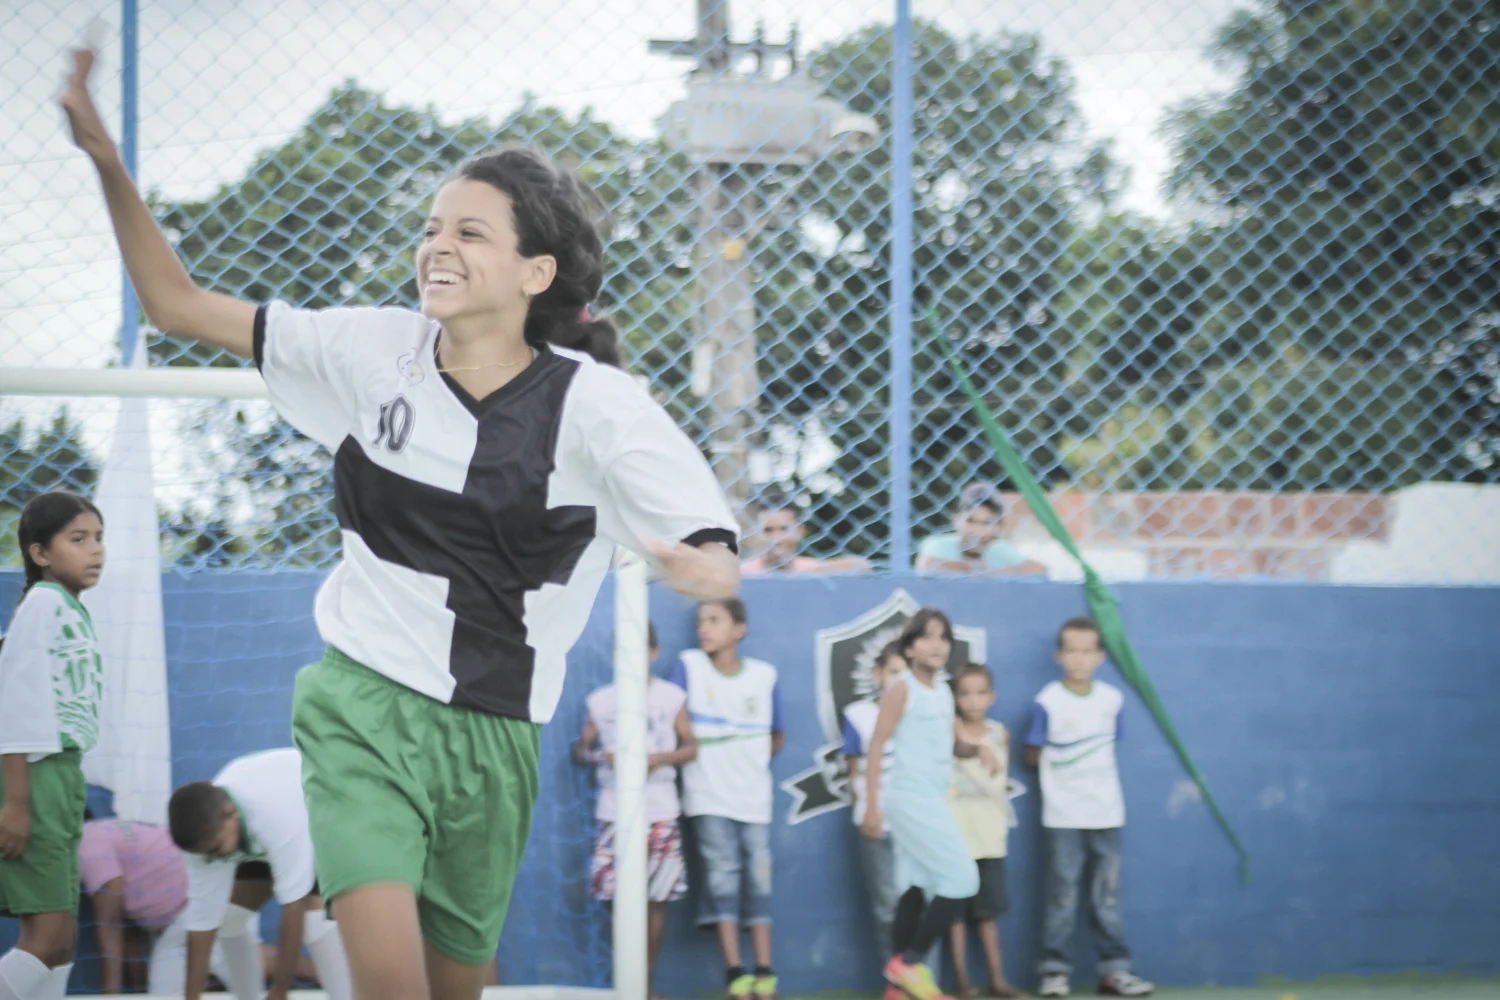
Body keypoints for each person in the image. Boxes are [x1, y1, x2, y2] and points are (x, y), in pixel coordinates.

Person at [63, 42, 739, 1000]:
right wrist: (105, 158)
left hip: (496, 735)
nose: (438, 246)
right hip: (360, 708)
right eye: (431, 228)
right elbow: (175, 306)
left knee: (459, 985)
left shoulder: (597, 406)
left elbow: (712, 550)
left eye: (470, 232)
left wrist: (697, 566)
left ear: (536, 271)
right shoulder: (371, 350)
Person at [0, 492, 106, 1000]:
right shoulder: (42, 604)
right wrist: (17, 803)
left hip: (64, 775)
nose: (96, 550)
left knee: (62, 942)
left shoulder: (69, 608)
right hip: (35, 777)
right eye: (78, 539)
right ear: (40, 553)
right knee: (45, 939)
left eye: (99, 538)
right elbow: (13, 705)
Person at [862, 609, 997, 1000]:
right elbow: (876, 744)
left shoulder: (944, 691)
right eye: (927, 636)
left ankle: (896, 989)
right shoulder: (901, 688)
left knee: (915, 887)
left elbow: (952, 744)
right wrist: (871, 807)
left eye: (943, 637)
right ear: (910, 648)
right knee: (963, 879)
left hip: (931, 799)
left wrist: (978, 749)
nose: (937, 645)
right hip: (911, 800)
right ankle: (911, 962)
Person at [1023, 618, 1153, 998]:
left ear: (1100, 657)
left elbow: (1111, 745)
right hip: (1062, 816)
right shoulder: (1047, 701)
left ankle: (1114, 972)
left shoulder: (1112, 700)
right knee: (1062, 895)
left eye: (1087, 651)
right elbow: (1031, 754)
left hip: (1106, 813)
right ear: (1059, 656)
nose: (1079, 659)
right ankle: (1054, 973)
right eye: (1071, 651)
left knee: (1106, 896)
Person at [167, 748, 351, 1000]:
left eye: (216, 850)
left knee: (313, 920)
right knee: (229, 921)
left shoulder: (276, 816)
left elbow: (293, 908)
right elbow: (201, 927)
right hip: (260, 833)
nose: (213, 860)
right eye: (206, 855)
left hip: (325, 812)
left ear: (230, 815)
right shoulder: (205, 841)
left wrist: (280, 989)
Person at [572, 624, 696, 1000]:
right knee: (617, 898)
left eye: (638, 650)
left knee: (656, 898)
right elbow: (580, 751)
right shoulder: (600, 700)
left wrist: (658, 758)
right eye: (621, 651)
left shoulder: (671, 697)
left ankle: (643, 984)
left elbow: (691, 747)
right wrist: (600, 755)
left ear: (654, 653)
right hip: (613, 813)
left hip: (659, 809)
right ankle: (626, 981)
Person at [670, 600, 784, 1000]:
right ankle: (736, 973)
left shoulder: (764, 676)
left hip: (754, 798)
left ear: (739, 629)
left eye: (714, 620)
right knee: (723, 875)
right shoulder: (688, 666)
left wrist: (749, 764)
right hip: (707, 796)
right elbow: (674, 720)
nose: (704, 628)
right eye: (700, 621)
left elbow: (777, 734)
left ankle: (765, 972)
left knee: (759, 876)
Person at [946, 664, 1026, 999]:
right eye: (965, 693)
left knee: (987, 913)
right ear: (954, 697)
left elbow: (998, 783)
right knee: (954, 915)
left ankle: (997, 980)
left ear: (992, 697)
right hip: (954, 838)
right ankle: (962, 983)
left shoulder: (999, 733)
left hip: (990, 839)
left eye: (980, 693)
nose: (973, 700)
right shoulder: (948, 732)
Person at [842, 642, 906, 961]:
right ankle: (897, 979)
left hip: (916, 825)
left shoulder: (925, 715)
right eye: (893, 672)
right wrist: (868, 810)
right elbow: (854, 771)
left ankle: (926, 980)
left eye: (906, 675)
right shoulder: (858, 715)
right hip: (877, 824)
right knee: (887, 906)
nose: (899, 681)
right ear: (877, 673)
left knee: (922, 904)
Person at [915, 484, 1047, 576]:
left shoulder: (998, 550)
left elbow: (1039, 569)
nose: (977, 530)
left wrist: (987, 574)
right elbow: (928, 564)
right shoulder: (938, 545)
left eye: (986, 523)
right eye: (970, 521)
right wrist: (977, 570)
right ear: (956, 520)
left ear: (998, 526)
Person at [741, 504, 869, 575]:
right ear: (756, 533)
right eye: (768, 530)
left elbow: (861, 565)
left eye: (785, 529)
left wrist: (796, 577)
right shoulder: (744, 572)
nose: (777, 538)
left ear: (800, 531)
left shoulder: (809, 567)